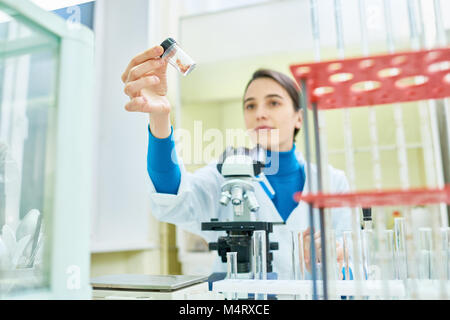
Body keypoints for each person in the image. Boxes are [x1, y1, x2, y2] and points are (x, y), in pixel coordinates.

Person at [121, 45, 352, 279]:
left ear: (299, 118)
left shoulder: (332, 182)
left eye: (273, 102)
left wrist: (334, 260)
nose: (259, 113)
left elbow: (351, 271)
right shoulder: (228, 172)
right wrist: (159, 115)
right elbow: (173, 195)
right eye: (250, 105)